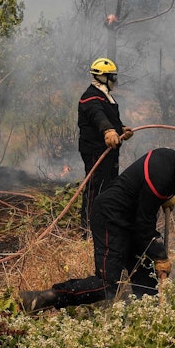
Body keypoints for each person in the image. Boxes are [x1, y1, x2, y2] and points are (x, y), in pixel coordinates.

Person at [19, 137, 175, 312]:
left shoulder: (169, 158)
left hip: (129, 219)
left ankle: (147, 323)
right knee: (108, 286)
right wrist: (160, 255)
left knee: (146, 279)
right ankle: (44, 298)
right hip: (111, 217)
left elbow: (144, 204)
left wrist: (163, 198)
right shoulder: (162, 176)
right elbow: (144, 225)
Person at [77, 57, 132, 233]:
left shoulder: (105, 96)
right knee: (95, 188)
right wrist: (108, 131)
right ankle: (88, 229)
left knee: (109, 188)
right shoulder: (90, 97)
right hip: (95, 151)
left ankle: (104, 226)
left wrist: (121, 129)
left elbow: (109, 118)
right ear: (102, 77)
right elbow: (97, 116)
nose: (114, 80)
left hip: (109, 152)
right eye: (112, 77)